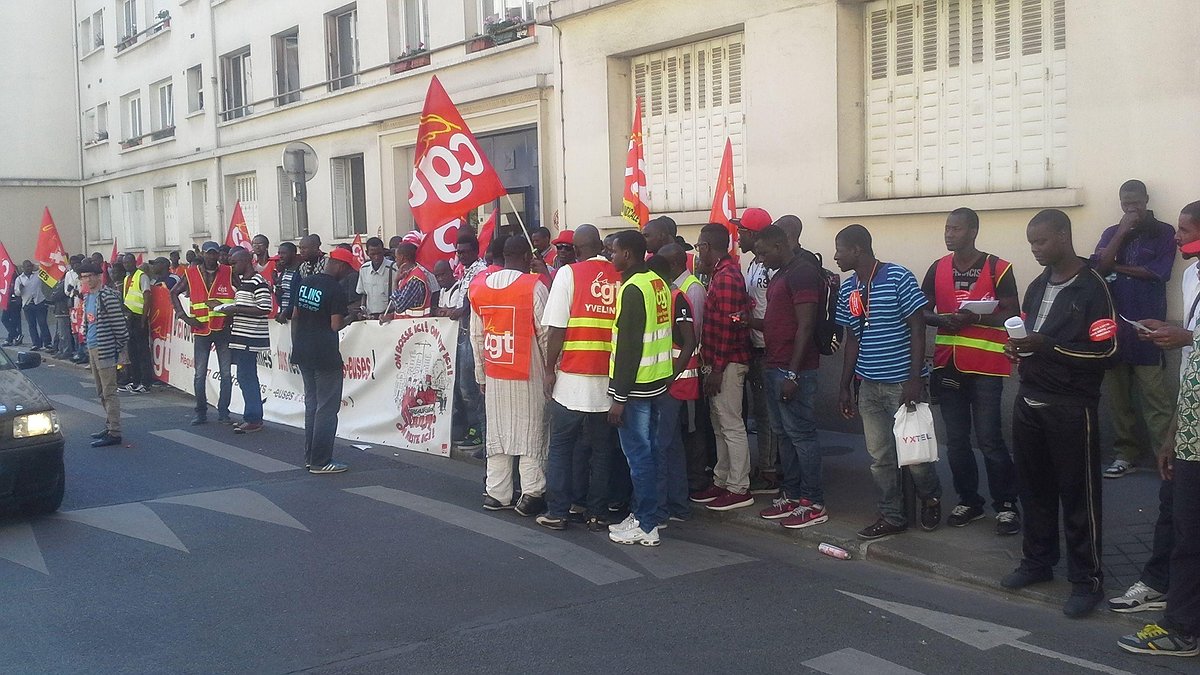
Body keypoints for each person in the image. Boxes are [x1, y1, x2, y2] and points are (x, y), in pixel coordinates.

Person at [999, 208, 1116, 619]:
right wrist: (1018, 347)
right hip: (1029, 399)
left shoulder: (1093, 287)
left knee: (1078, 496)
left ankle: (1087, 580)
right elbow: (1030, 334)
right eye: (1031, 242)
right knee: (1033, 490)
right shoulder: (1036, 285)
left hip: (1071, 407)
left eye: (1041, 241)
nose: (1034, 249)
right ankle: (1037, 563)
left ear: (1064, 237)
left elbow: (1106, 351)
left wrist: (1046, 346)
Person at [1118, 200, 1200, 657]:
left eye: (1184, 231)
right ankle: (1170, 595)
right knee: (1178, 512)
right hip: (1190, 410)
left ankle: (1183, 628)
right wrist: (1172, 432)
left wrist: (1186, 337)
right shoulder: (1192, 276)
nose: (1175, 238)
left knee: (1191, 527)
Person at [834, 224, 943, 539]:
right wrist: (844, 385)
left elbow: (918, 327)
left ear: (857, 249)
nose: (836, 256)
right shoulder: (848, 288)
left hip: (902, 384)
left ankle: (931, 496)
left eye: (840, 249)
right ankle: (891, 516)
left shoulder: (898, 277)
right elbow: (851, 339)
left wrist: (914, 379)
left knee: (916, 455)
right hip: (869, 385)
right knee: (880, 457)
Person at [921, 207, 1021, 535]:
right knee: (957, 439)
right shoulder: (937, 268)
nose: (949, 234)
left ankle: (1006, 505)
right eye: (947, 228)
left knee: (990, 438)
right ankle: (969, 500)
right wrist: (943, 319)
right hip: (948, 364)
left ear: (973, 231)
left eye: (956, 229)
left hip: (987, 367)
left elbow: (1012, 314)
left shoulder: (999, 268)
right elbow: (922, 311)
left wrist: (975, 318)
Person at [536, 224, 621, 532]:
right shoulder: (620, 274)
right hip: (608, 381)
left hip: (572, 379)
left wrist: (548, 370)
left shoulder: (569, 274)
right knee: (601, 450)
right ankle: (597, 513)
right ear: (600, 246)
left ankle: (557, 512)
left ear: (576, 249)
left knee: (561, 446)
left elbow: (556, 328)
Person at [1091, 180, 1177, 479]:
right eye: (1126, 203)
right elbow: (1098, 268)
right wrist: (1122, 232)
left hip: (1148, 327)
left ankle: (1165, 457)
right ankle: (1125, 455)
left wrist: (1115, 266)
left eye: (1136, 202)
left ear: (1146, 200)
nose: (1131, 208)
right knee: (1119, 400)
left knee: (1156, 398)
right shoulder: (1111, 233)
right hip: (1115, 327)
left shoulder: (1164, 232)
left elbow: (1158, 272)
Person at [753, 225, 828, 529]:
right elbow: (779, 320)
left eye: (763, 252)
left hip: (793, 368)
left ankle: (814, 502)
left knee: (802, 435)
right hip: (775, 363)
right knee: (783, 433)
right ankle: (792, 496)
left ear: (780, 244)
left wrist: (793, 373)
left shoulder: (802, 272)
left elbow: (806, 325)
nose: (759, 259)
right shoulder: (782, 273)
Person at [470, 236, 550, 515]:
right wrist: (553, 368)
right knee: (531, 430)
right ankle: (531, 493)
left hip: (495, 368)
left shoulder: (478, 286)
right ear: (527, 257)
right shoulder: (534, 286)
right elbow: (546, 333)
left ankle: (497, 492)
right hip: (528, 369)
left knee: (498, 432)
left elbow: (476, 336)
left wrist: (480, 373)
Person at [606, 230, 672, 546]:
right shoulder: (656, 282)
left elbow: (630, 346)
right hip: (657, 382)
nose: (610, 256)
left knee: (639, 456)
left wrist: (618, 398)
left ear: (628, 255)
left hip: (637, 389)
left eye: (613, 251)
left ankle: (646, 525)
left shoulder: (633, 289)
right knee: (652, 453)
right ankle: (649, 514)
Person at [690, 223, 755, 511]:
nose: (697, 252)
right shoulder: (718, 274)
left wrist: (716, 369)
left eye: (699, 247)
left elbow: (729, 328)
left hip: (727, 363)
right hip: (716, 361)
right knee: (720, 426)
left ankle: (739, 487)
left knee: (731, 424)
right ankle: (722, 480)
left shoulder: (727, 277)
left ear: (708, 247)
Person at [292, 247, 358, 474]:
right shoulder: (335, 289)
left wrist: (297, 343)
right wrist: (352, 316)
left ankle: (310, 457)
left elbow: (296, 315)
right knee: (327, 409)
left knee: (311, 405)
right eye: (348, 269)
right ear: (340, 265)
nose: (348, 274)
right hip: (325, 354)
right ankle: (321, 461)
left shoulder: (305, 282)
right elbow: (335, 325)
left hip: (303, 350)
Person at [648, 246, 700, 525]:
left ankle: (660, 510)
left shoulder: (676, 297)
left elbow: (689, 341)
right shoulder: (668, 296)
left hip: (673, 383)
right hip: (670, 380)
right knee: (672, 446)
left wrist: (670, 376)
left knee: (661, 444)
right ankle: (678, 505)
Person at [737, 207, 781, 494]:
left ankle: (769, 471)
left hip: (769, 348)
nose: (737, 236)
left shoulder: (771, 266)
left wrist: (751, 322)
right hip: (753, 344)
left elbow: (777, 313)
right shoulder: (753, 263)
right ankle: (765, 464)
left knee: (768, 413)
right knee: (761, 412)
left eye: (741, 231)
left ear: (753, 234)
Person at [170, 240, 236, 426]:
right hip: (200, 329)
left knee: (225, 373)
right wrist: (183, 316)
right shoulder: (191, 273)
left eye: (214, 253)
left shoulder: (228, 271)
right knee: (200, 374)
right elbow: (173, 292)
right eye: (208, 253)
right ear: (203, 254)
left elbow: (242, 291)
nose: (211, 256)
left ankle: (224, 412)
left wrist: (232, 313)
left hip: (222, 328)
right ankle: (201, 413)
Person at [222, 249, 273, 434]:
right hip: (242, 336)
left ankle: (254, 418)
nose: (232, 267)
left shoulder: (258, 282)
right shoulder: (245, 282)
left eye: (234, 263)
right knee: (244, 377)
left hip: (250, 337)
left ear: (245, 261)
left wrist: (236, 309)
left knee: (247, 377)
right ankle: (250, 416)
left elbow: (265, 308)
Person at [79, 262, 127, 448]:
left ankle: (115, 431)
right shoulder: (88, 297)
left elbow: (120, 327)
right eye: (84, 276)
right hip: (92, 347)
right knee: (100, 391)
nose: (88, 279)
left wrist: (119, 348)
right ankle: (109, 425)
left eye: (91, 275)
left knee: (109, 391)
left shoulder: (107, 296)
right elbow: (88, 322)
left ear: (99, 276)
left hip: (105, 348)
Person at [454, 232, 487, 449]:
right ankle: (472, 429)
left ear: (476, 252)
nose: (462, 255)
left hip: (473, 333)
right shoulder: (465, 272)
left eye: (466, 252)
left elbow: (474, 301)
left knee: (471, 386)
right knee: (461, 385)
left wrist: (458, 311)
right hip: (462, 332)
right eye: (459, 252)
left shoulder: (481, 271)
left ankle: (478, 432)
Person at [120, 253, 153, 394]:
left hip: (140, 317)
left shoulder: (142, 276)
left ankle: (145, 383)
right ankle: (135, 381)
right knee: (132, 352)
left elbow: (147, 297)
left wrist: (144, 319)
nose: (127, 265)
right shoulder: (127, 278)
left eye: (129, 262)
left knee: (143, 352)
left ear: (134, 262)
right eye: (125, 263)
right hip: (129, 318)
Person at [381, 242, 431, 320]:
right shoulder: (407, 275)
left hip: (416, 327)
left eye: (396, 257)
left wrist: (395, 282)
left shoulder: (415, 279)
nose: (395, 260)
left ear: (402, 258)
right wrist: (391, 316)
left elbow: (399, 306)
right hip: (406, 327)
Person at [355, 237, 395, 320]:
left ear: (383, 251)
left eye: (379, 253)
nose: (376, 257)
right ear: (367, 253)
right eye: (373, 254)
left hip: (388, 318)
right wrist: (362, 308)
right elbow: (364, 293)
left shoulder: (393, 268)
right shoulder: (364, 269)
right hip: (370, 318)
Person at [16, 261, 51, 351]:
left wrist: (38, 267)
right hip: (28, 304)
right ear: (23, 268)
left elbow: (47, 276)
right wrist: (19, 289)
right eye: (27, 267)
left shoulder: (38, 275)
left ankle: (47, 343)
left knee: (42, 323)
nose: (29, 268)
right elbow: (16, 293)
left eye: (30, 266)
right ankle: (36, 343)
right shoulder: (19, 279)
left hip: (39, 302)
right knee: (32, 325)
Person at [274, 242, 301, 324]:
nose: (280, 256)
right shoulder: (284, 272)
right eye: (279, 253)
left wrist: (286, 312)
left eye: (284, 253)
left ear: (293, 254)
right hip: (285, 319)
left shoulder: (300, 272)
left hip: (296, 318)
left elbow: (298, 298)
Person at [2, 264, 22, 346]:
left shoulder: (18, 278)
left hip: (15, 303)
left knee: (14, 321)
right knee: (4, 319)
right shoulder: (5, 278)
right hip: (7, 302)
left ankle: (11, 338)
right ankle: (16, 335)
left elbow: (16, 291)